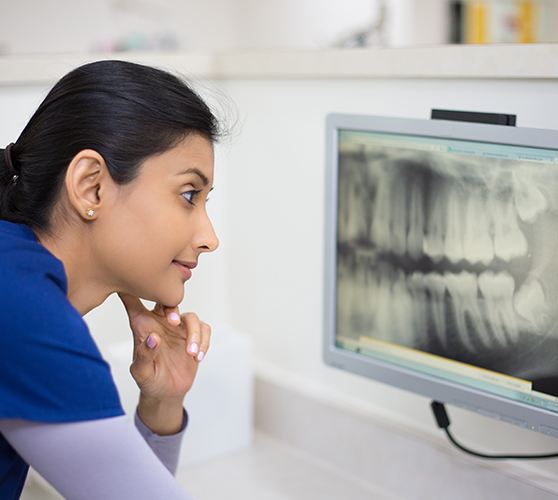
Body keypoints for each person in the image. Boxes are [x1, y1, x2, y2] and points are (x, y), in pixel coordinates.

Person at [0, 59, 221, 499]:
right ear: (91, 186)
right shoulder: (21, 307)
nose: (210, 238)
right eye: (189, 195)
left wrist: (164, 399)